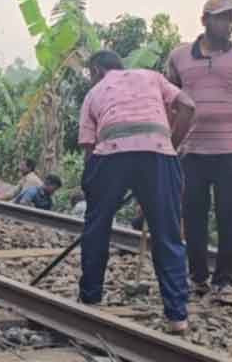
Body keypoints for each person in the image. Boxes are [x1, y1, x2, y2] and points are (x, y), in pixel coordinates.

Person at [78, 49, 196, 333]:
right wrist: (171, 143)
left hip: (110, 154)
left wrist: (99, 194)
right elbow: (188, 106)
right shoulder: (153, 77)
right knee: (167, 234)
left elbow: (88, 150)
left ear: (96, 71)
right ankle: (177, 316)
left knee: (97, 228)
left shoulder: (95, 92)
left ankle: (90, 299)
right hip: (158, 153)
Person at [166, 0, 232, 296]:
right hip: (191, 152)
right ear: (204, 20)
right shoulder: (179, 57)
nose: (229, 23)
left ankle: (225, 280)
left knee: (231, 217)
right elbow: (170, 103)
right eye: (222, 17)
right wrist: (165, 143)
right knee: (192, 216)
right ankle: (196, 275)